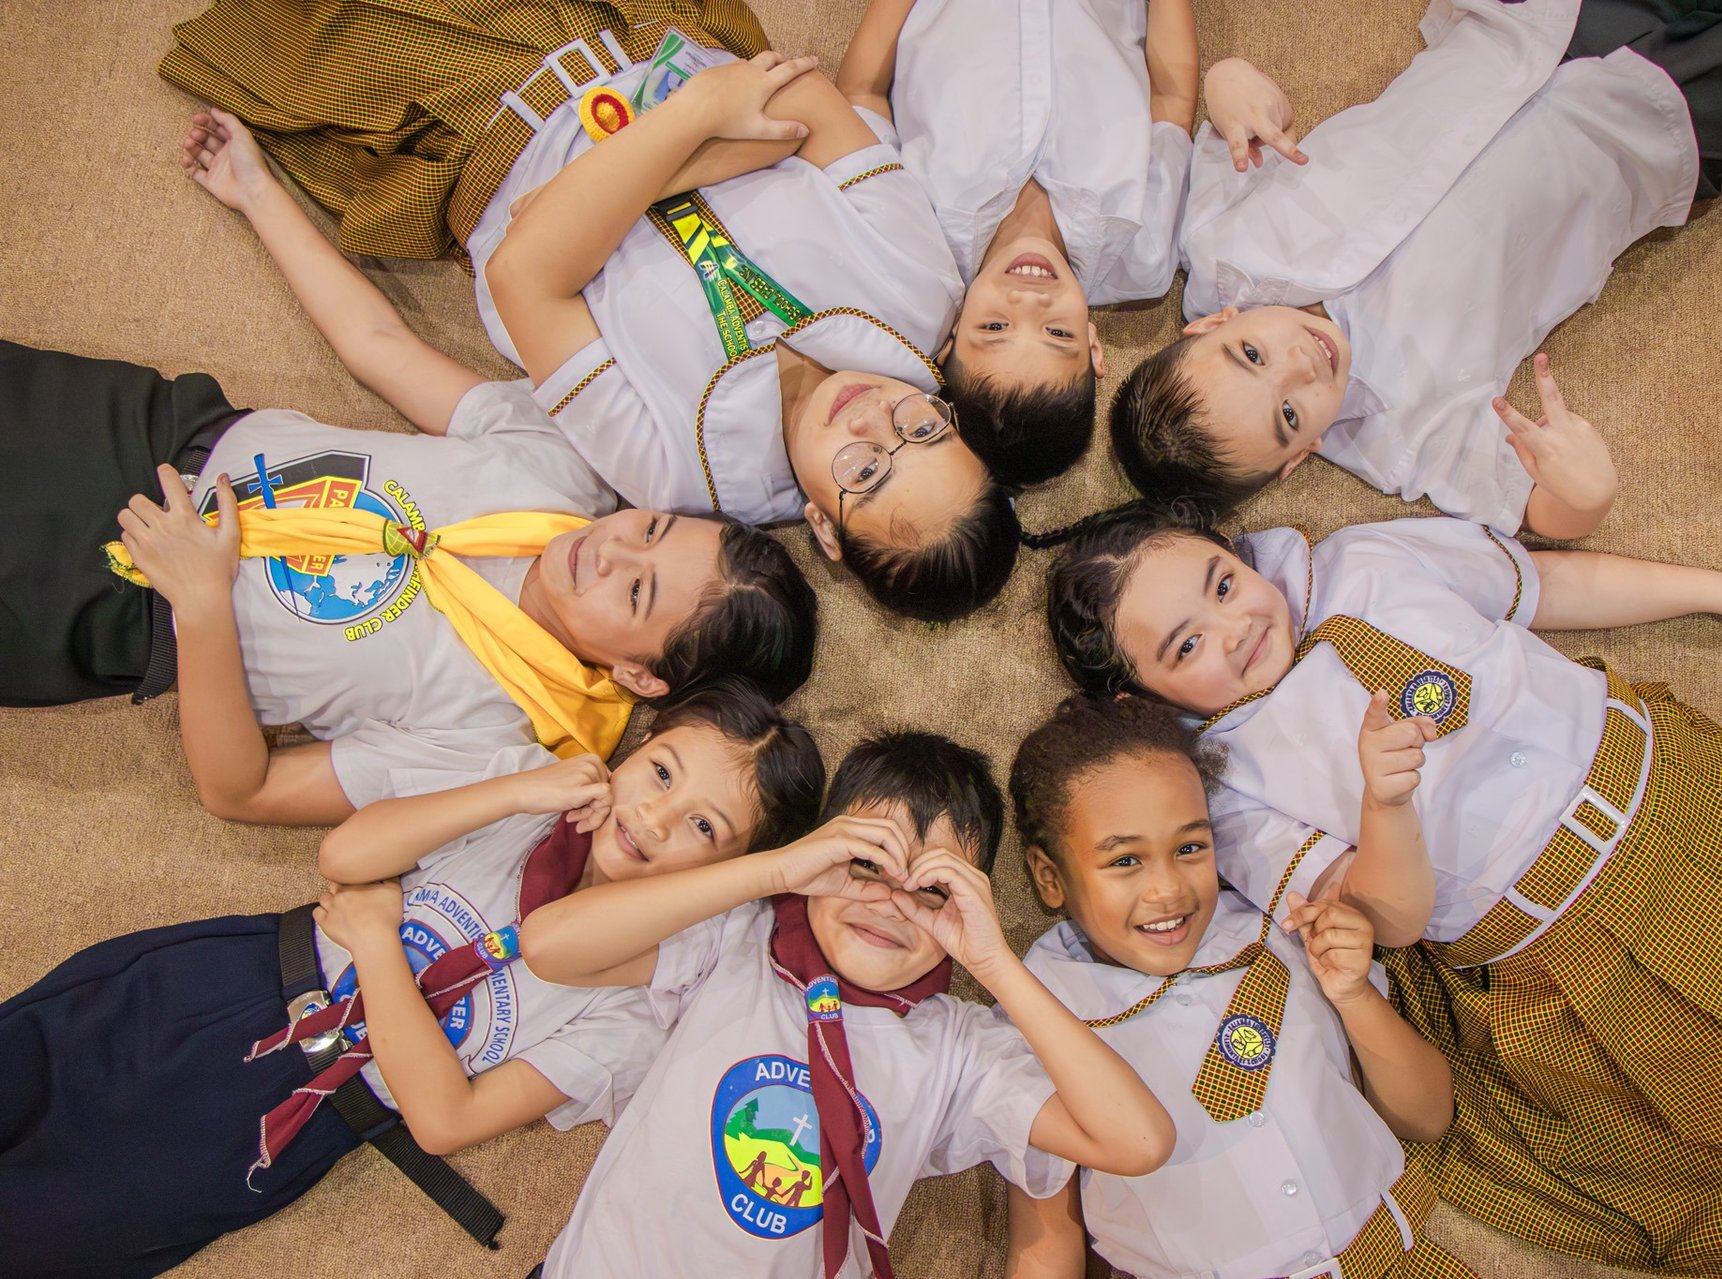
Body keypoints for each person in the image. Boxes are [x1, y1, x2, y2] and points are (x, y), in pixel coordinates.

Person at [1042, 498, 1722, 1277]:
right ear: (1141, 698)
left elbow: (1542, 587)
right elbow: (1392, 919)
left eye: (1223, 585)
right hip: (1581, 937)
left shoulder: (1366, 559)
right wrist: (1388, 805)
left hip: (1681, 781)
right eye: (1186, 644)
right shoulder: (1226, 786)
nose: (1232, 628)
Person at [0, 111, 817, 826]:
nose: (610, 550)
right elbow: (381, 349)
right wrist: (257, 193)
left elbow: (243, 791)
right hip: (161, 438)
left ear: (639, 674)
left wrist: (203, 604)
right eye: (649, 526)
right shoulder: (560, 474)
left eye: (635, 591)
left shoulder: (493, 741)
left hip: (124, 603)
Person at [0, 682, 824, 1278]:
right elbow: (346, 856)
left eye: (705, 827)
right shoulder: (526, 789)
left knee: (49, 1229)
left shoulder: (637, 1012)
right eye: (662, 772)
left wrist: (377, 939)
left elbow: (441, 1114)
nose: (656, 817)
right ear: (636, 745)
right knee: (29, 1059)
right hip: (231, 976)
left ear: (728, 872)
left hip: (298, 1115)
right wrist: (518, 787)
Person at [1111, 0, 1722, 536]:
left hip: (1533, 30)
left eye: (1250, 354)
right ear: (1297, 461)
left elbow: (1204, 121)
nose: (1298, 365)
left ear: (1213, 321)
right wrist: (1586, 494)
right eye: (1290, 415)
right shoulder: (1406, 439)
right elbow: (1534, 510)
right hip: (1653, 132)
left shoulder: (1217, 241)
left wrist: (1228, 82)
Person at [519, 731, 1176, 1276]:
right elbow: (548, 943)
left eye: (930, 889)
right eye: (865, 862)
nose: (889, 902)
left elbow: (1139, 1141)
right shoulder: (737, 944)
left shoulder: (960, 1048)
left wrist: (994, 962)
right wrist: (778, 870)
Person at [482, 49, 1021, 620]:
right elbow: (799, 95)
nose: (873, 419)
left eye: (865, 472)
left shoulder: (678, 476)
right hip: (651, 40)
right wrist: (690, 117)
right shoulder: (924, 295)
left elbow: (519, 281)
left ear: (824, 528)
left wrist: (703, 124)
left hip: (495, 137)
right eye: (923, 431)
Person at [1002, 694, 1468, 1279]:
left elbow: (1428, 1118)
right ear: (1050, 877)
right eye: (1125, 861)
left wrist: (1355, 997)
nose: (1168, 889)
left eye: (1190, 848)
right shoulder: (1036, 1018)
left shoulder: (1283, 931)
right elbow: (1047, 1240)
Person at [832, 0, 1202, 487]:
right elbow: (1172, 103)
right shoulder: (1143, 256)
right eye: (1058, 334)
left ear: (949, 341)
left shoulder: (917, 232)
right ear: (1093, 344)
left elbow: (862, 93)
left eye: (994, 325)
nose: (1030, 301)